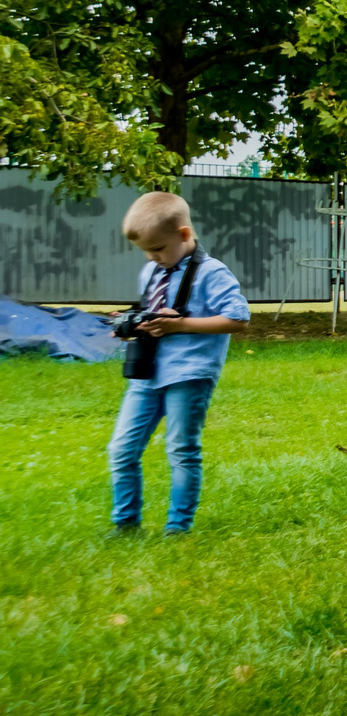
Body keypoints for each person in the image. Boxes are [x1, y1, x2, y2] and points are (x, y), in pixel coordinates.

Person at [107, 191, 251, 535]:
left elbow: (239, 318)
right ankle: (125, 524)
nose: (151, 256)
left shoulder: (212, 273)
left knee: (181, 449)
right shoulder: (151, 271)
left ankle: (178, 528)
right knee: (121, 449)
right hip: (146, 375)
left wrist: (181, 324)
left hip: (189, 374)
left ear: (184, 234)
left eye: (158, 248)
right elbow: (157, 314)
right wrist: (134, 322)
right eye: (146, 250)